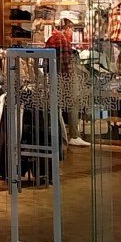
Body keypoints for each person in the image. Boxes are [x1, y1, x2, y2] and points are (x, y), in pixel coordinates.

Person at [45, 18, 88, 147]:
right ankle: (74, 135)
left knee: (58, 105)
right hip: (64, 77)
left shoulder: (52, 38)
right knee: (73, 102)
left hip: (54, 77)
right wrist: (71, 79)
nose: (72, 32)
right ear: (66, 28)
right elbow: (65, 63)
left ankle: (60, 134)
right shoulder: (62, 39)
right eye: (72, 29)